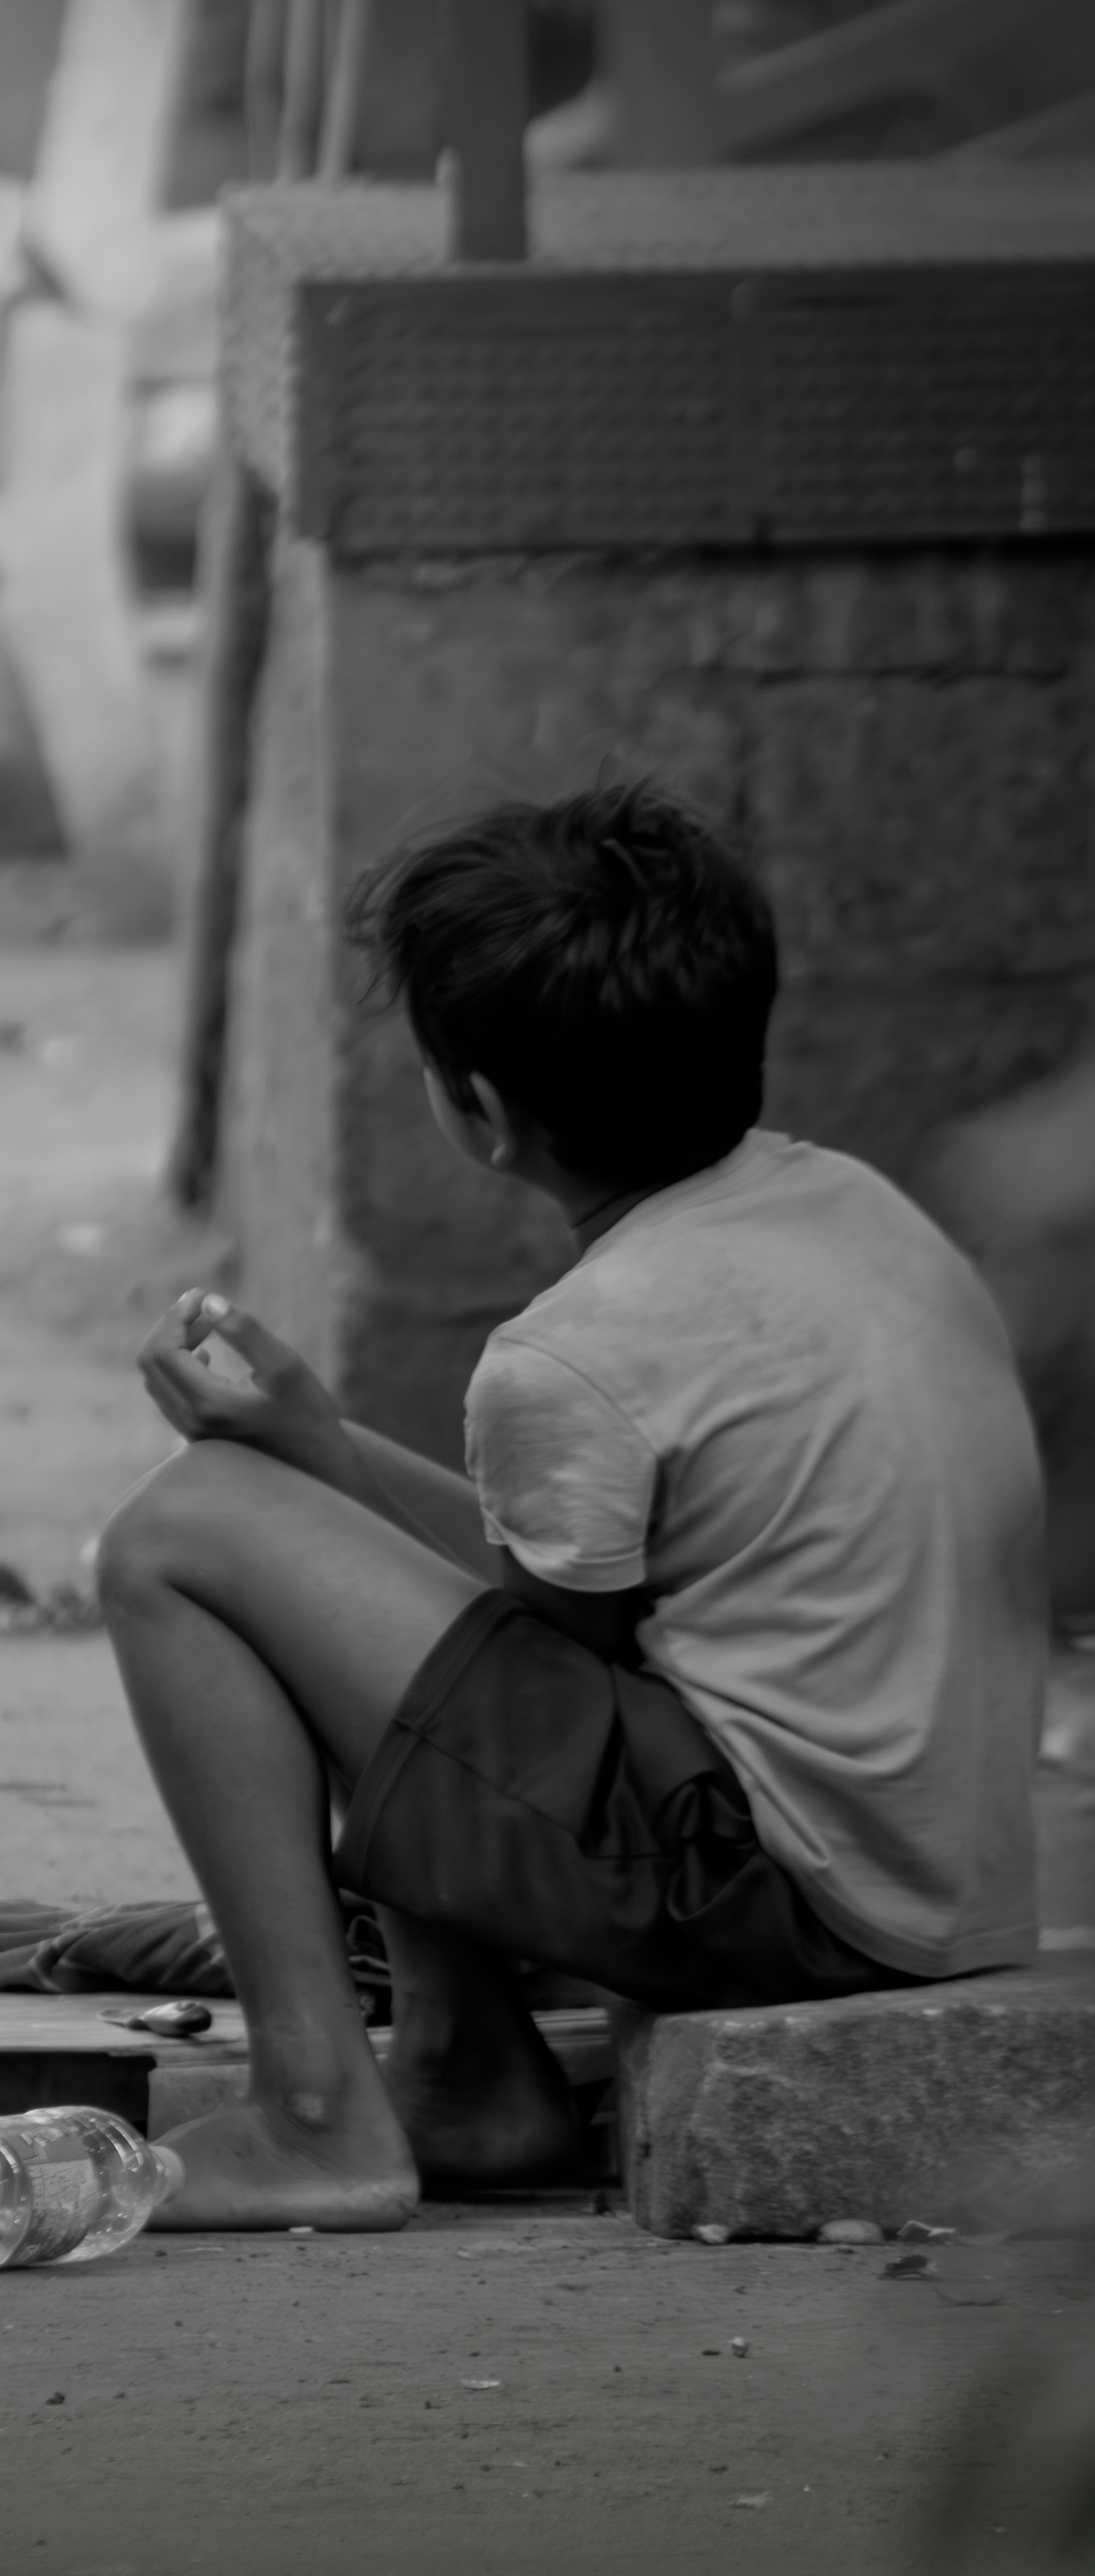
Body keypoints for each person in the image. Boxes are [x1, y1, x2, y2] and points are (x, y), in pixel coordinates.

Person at [97, 782, 1048, 2232]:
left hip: (790, 1896)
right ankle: (466, 2073)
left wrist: (283, 1479)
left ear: (477, 1111)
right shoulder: (851, 1204)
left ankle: (314, 2115)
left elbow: (523, 1670)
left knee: (173, 1538)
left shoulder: (570, 1353)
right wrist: (310, 1442)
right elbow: (506, 1655)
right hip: (930, 1870)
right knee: (271, 1505)